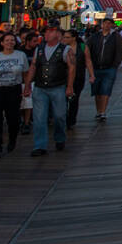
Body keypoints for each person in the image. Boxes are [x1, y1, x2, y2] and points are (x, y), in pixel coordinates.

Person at [26, 24, 75, 157]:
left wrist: (70, 86)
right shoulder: (39, 49)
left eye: (50, 32)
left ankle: (60, 137)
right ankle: (40, 145)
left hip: (58, 86)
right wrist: (27, 85)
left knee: (59, 116)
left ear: (58, 35)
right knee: (39, 117)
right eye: (46, 32)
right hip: (40, 87)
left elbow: (71, 68)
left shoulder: (66, 49)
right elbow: (33, 67)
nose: (46, 34)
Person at [0, 32, 30, 158]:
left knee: (13, 118)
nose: (10, 42)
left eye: (12, 40)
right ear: (2, 43)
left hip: (13, 89)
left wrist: (27, 87)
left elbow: (26, 72)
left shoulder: (21, 55)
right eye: (7, 40)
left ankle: (12, 140)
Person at [87, 17, 122, 122]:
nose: (107, 25)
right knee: (97, 91)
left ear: (112, 25)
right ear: (102, 24)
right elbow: (87, 48)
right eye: (105, 23)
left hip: (109, 68)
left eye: (109, 23)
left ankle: (103, 111)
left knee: (106, 90)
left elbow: (119, 51)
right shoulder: (95, 37)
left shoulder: (116, 37)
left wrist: (115, 65)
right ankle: (98, 110)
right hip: (96, 67)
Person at [62, 30, 95, 132]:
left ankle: (71, 119)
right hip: (63, 77)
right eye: (64, 37)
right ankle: (64, 118)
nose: (65, 39)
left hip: (78, 77)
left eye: (67, 37)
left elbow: (88, 61)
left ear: (74, 38)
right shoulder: (61, 48)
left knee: (74, 99)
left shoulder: (82, 47)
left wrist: (91, 75)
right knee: (62, 100)